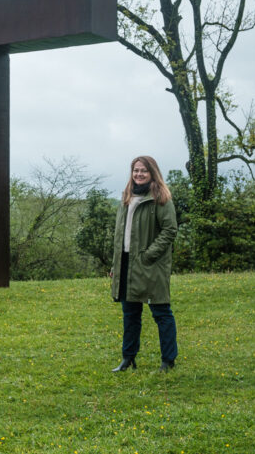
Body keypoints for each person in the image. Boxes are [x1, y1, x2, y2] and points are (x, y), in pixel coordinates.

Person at [109, 156, 178, 373]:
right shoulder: (126, 197)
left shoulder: (161, 198)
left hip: (150, 264)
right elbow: (120, 235)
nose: (139, 174)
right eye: (136, 170)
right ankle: (128, 358)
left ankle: (168, 360)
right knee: (130, 315)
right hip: (126, 264)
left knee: (161, 312)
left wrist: (149, 256)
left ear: (152, 173)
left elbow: (170, 230)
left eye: (143, 171)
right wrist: (115, 265)